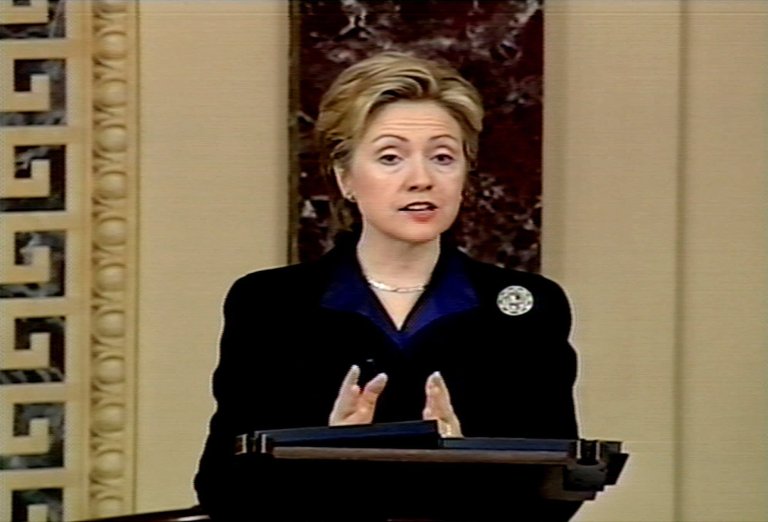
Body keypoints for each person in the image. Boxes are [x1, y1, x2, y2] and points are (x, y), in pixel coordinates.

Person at [194, 52, 580, 521]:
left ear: (465, 174)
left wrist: (465, 463)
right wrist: (324, 456)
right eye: (390, 157)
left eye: (442, 157)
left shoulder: (527, 310)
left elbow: (559, 494)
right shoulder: (272, 305)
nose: (421, 180)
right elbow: (222, 490)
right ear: (345, 177)